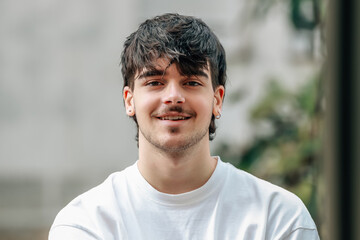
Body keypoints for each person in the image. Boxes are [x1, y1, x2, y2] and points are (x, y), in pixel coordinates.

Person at [49, 13, 320, 239]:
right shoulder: (86, 224)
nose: (173, 97)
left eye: (191, 82)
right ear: (129, 101)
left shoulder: (278, 219)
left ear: (217, 99)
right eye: (155, 82)